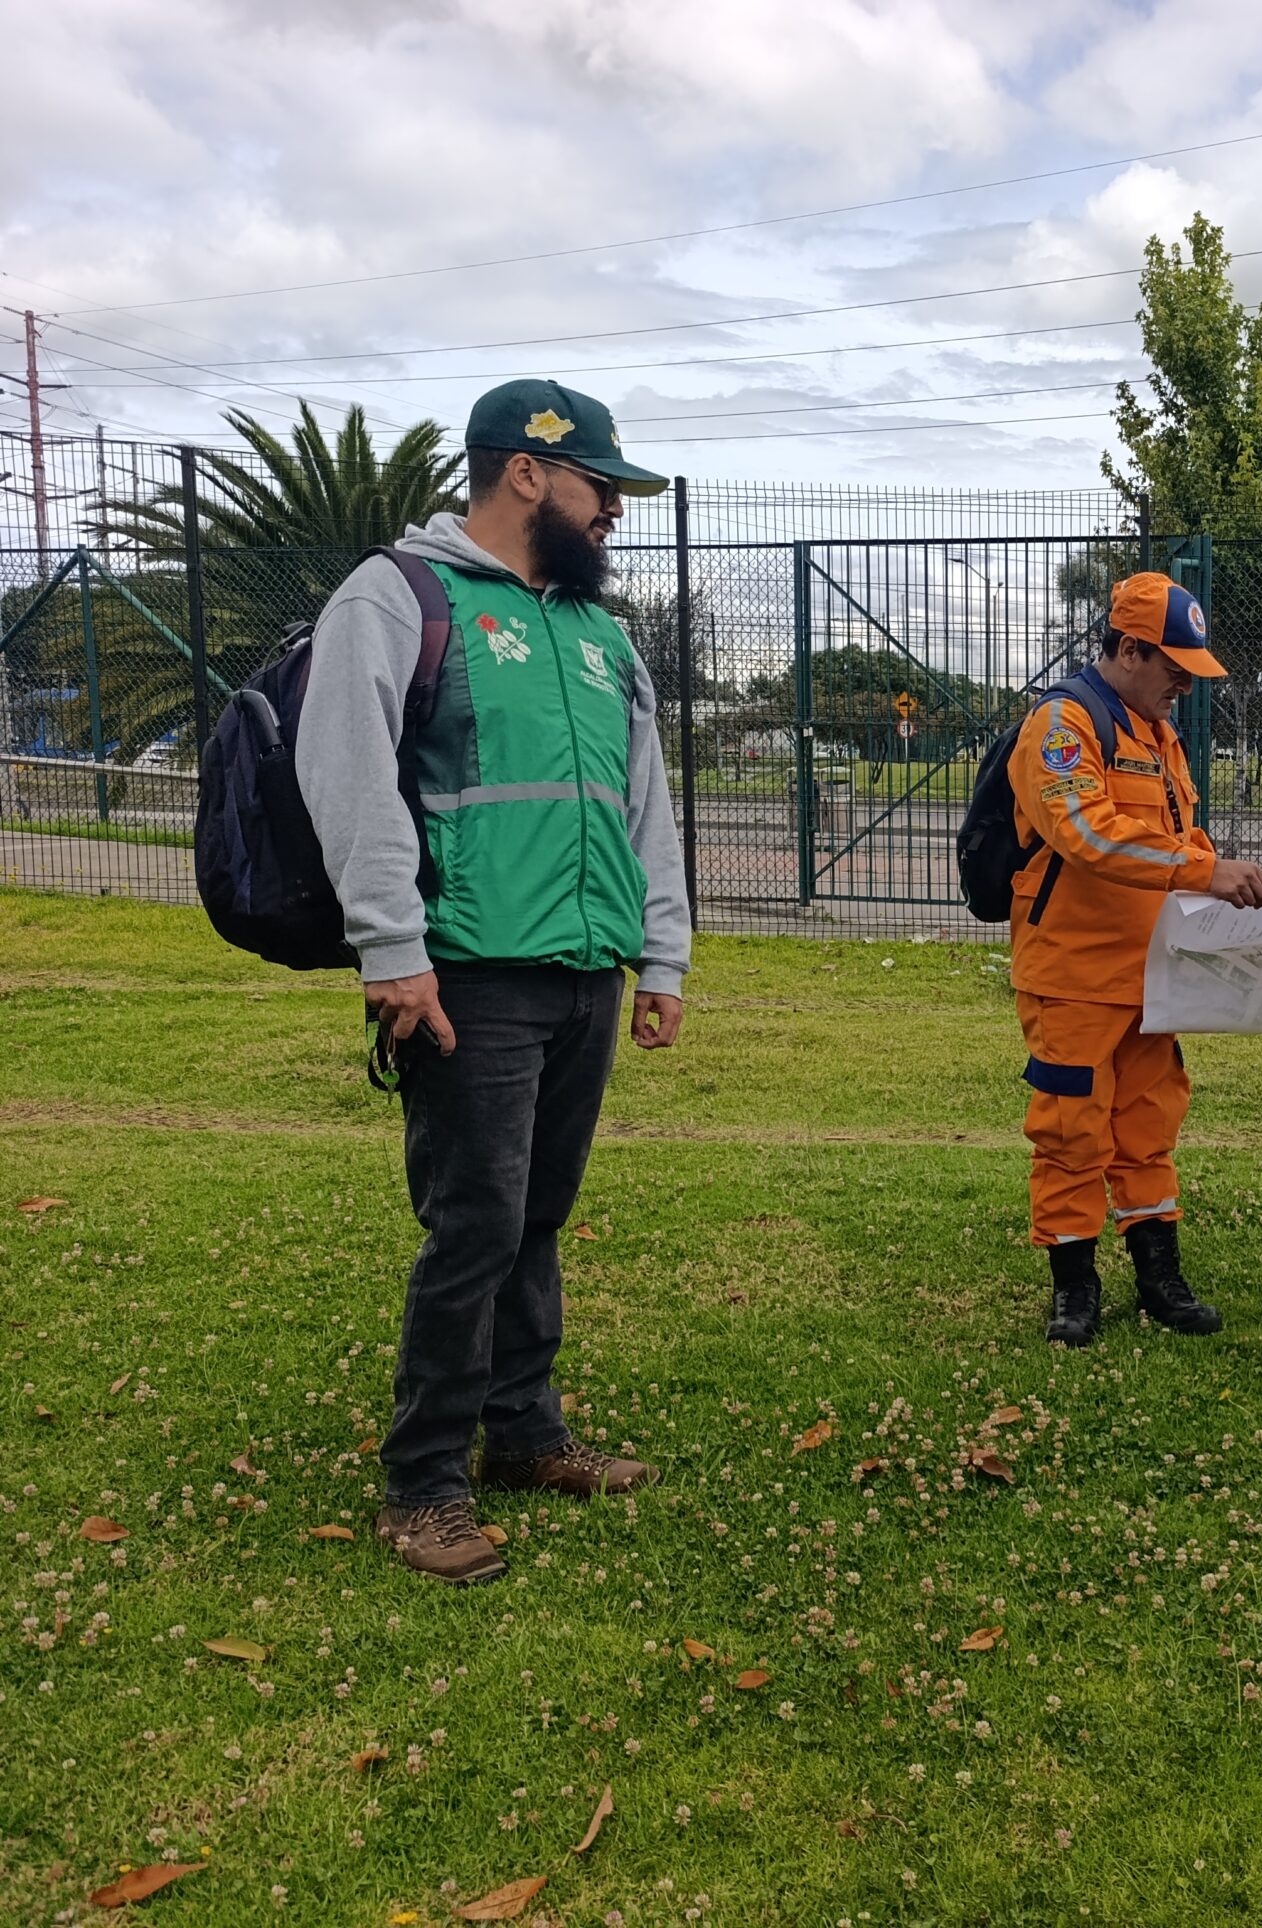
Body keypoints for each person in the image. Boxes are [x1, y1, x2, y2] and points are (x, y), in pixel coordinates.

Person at [298, 379, 691, 1585]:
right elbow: (349, 770)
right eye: (600, 486)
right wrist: (391, 947)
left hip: (581, 970)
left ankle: (524, 1433)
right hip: (466, 972)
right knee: (472, 1223)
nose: (613, 509)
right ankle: (424, 1481)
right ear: (527, 471)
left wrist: (659, 949)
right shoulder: (398, 596)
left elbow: (644, 804)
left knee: (537, 1216)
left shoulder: (599, 631)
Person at [1007, 572, 1262, 1347]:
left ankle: (1160, 1277)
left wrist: (1227, 882)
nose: (1183, 689)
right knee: (1071, 1129)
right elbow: (1084, 834)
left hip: (1155, 976)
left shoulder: (1157, 736)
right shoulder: (1065, 724)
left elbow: (1179, 842)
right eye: (1174, 669)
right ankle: (1074, 1286)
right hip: (1075, 979)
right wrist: (1204, 872)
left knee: (1148, 1126)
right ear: (1129, 649)